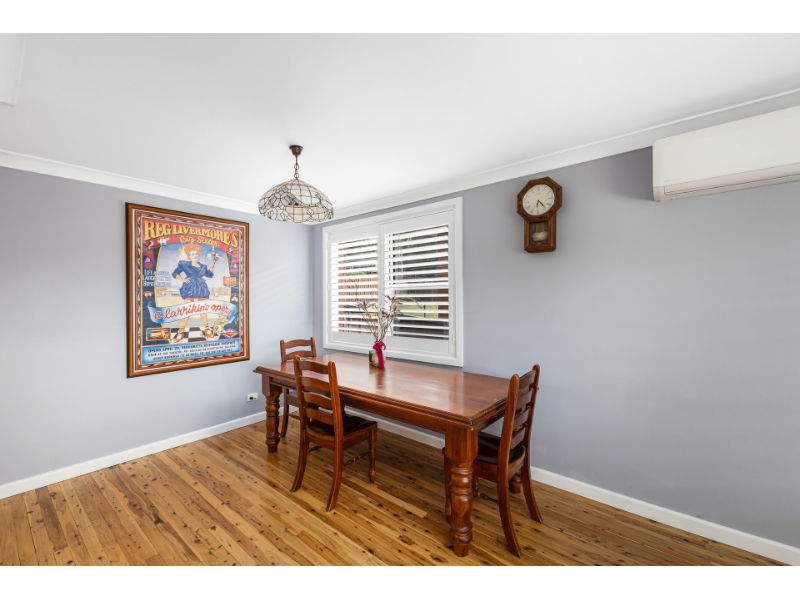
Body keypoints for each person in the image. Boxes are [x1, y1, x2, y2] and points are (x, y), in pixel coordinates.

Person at [170, 243, 219, 343]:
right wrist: (183, 280)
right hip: (189, 287)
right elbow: (175, 273)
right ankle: (181, 332)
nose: (195, 255)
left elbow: (210, 274)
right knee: (187, 310)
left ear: (198, 254)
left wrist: (213, 263)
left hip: (201, 287)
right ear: (189, 256)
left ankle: (207, 329)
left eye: (196, 253)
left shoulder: (203, 266)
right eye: (192, 254)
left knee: (202, 309)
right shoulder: (184, 264)